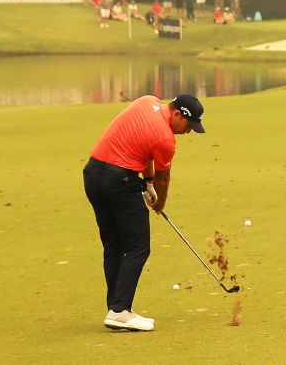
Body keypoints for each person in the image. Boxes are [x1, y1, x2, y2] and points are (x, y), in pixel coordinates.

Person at [83, 94, 206, 332]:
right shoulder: (166, 139)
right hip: (119, 181)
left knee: (115, 245)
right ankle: (120, 310)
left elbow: (145, 150)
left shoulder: (146, 101)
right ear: (178, 114)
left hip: (93, 175)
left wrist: (147, 183)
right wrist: (159, 202)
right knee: (138, 247)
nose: (188, 132)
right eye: (188, 126)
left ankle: (116, 309)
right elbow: (164, 176)